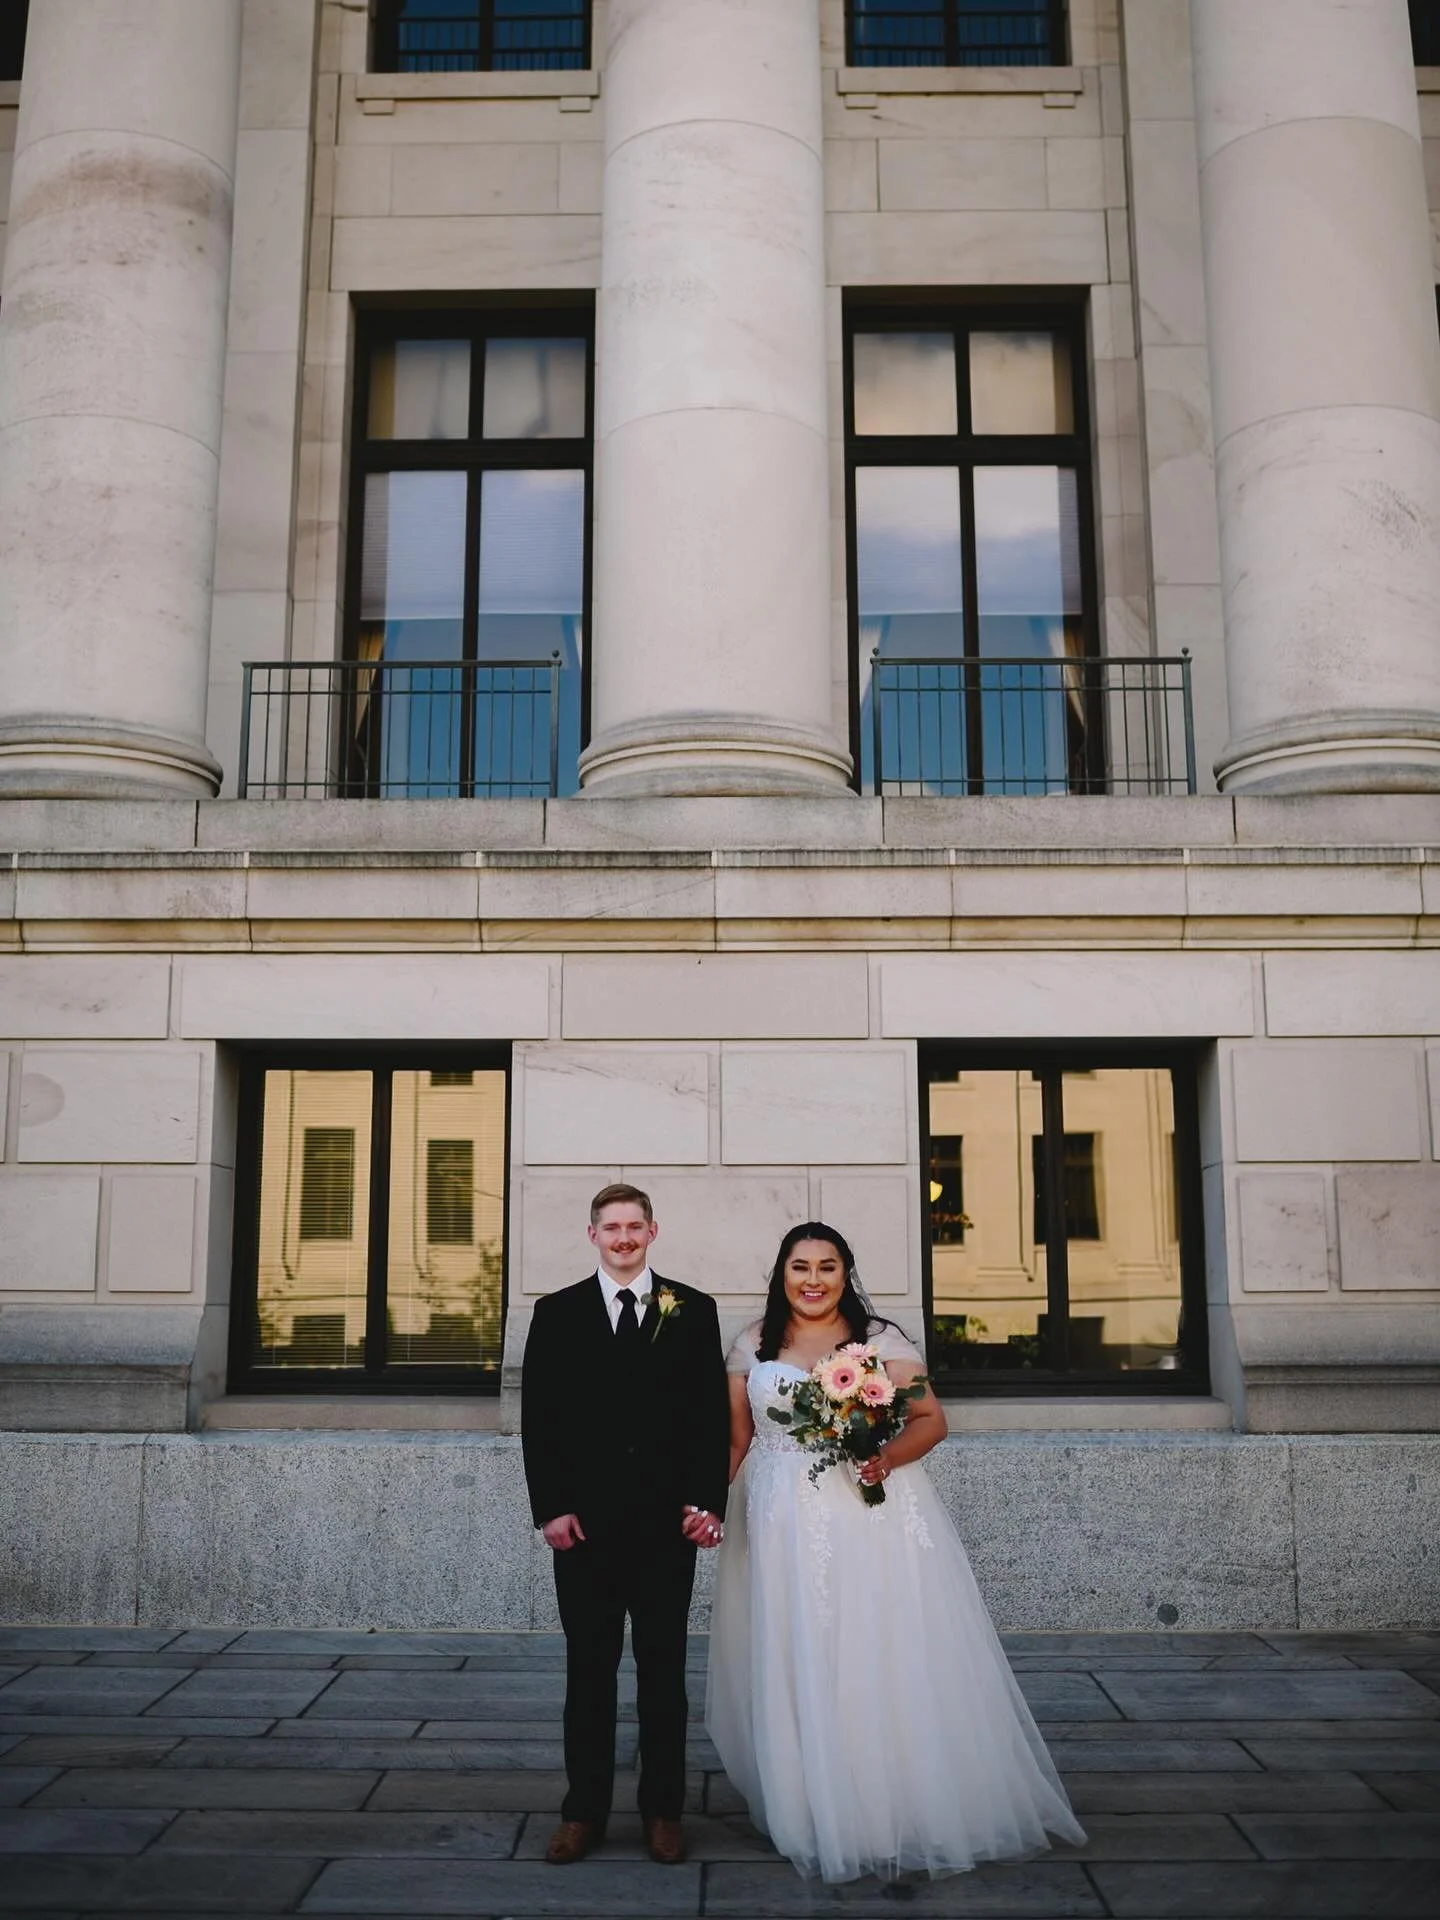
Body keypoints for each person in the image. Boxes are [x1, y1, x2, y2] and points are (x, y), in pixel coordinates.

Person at [706, 1220, 1086, 1884]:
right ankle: (808, 1799)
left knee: (870, 1645)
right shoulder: (750, 1343)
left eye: (828, 1266)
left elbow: (931, 1419)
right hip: (779, 1521)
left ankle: (887, 1804)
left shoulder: (881, 1340)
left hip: (866, 1516)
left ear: (845, 1273)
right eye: (801, 1267)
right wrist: (700, 1501)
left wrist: (881, 1458)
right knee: (798, 1648)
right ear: (782, 1274)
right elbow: (736, 1441)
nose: (814, 1280)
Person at [521, 1183, 730, 1868]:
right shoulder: (555, 1314)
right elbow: (541, 1419)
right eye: (611, 1228)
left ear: (653, 1231)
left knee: (664, 1675)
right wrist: (550, 1507)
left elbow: (708, 1418)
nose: (623, 1238)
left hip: (666, 1530)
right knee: (589, 1675)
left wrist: (708, 1504)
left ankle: (663, 1812)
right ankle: (582, 1814)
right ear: (592, 1236)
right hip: (584, 1530)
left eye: (634, 1226)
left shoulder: (693, 1310)